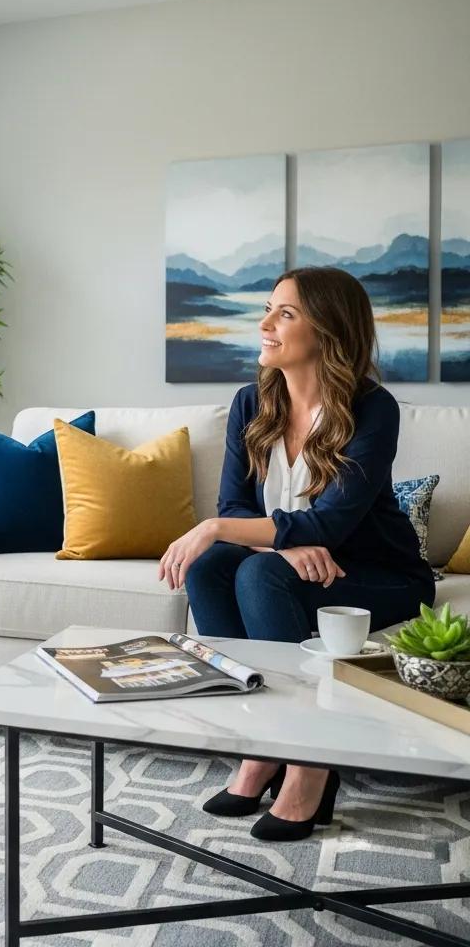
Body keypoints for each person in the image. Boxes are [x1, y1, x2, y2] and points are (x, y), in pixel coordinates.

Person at [157, 267, 434, 842]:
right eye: (268, 308)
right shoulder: (249, 403)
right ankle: (261, 746)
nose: (265, 324)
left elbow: (334, 519)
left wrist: (222, 528)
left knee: (259, 572)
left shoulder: (373, 408)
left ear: (328, 329)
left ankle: (311, 763)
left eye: (285, 313)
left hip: (381, 576)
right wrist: (292, 537)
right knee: (209, 567)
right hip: (305, 563)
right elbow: (236, 506)